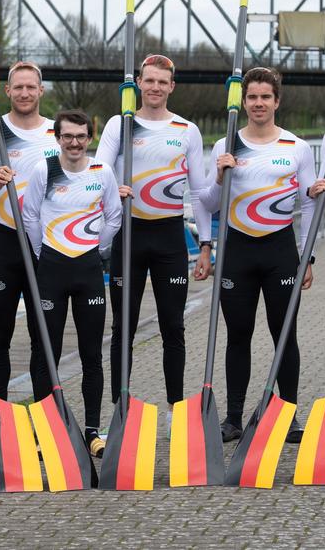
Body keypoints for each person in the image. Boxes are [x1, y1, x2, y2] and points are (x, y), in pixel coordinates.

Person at [201, 66, 325, 443]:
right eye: (252, 97)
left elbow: (309, 206)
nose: (258, 103)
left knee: (284, 334)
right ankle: (234, 419)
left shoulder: (296, 147)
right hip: (237, 250)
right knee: (238, 334)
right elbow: (207, 203)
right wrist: (220, 178)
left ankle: (287, 417)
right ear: (244, 102)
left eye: (265, 97)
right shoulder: (226, 145)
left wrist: (309, 256)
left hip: (279, 251)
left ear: (277, 101)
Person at [95, 54, 212, 435]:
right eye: (149, 81)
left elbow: (200, 194)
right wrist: (114, 184)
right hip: (129, 235)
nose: (156, 87)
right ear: (138, 84)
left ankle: (176, 410)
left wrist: (207, 242)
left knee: (172, 328)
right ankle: (120, 411)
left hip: (169, 239)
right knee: (122, 329)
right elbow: (96, 173)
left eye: (163, 82)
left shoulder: (187, 130)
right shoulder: (121, 124)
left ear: (171, 86)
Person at [23, 110, 122, 457]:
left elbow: (114, 216)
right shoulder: (43, 170)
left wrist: (98, 248)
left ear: (90, 138)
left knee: (91, 354)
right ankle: (43, 431)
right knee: (43, 353)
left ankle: (92, 429)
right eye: (68, 136)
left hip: (88, 271)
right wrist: (42, 252)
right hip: (51, 268)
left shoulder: (102, 172)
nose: (75, 142)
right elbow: (30, 215)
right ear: (57, 138)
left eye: (81, 136)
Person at [0, 61, 60, 415]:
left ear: (41, 91)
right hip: (4, 243)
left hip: (44, 247)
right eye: (17, 87)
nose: (24, 93)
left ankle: (45, 420)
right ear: (6, 91)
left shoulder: (57, 132)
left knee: (43, 338)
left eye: (30, 87)